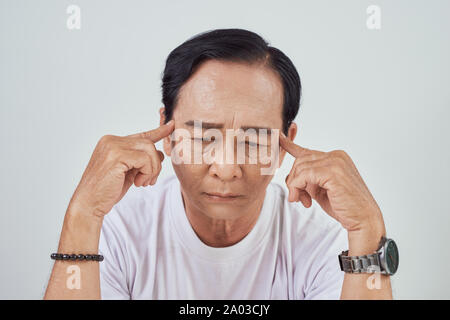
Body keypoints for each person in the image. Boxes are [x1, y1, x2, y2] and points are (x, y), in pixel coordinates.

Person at [44, 28, 393, 299]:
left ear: (287, 142)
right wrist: (81, 216)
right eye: (203, 136)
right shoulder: (116, 231)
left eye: (254, 139)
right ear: (168, 130)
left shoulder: (330, 243)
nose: (226, 168)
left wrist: (367, 231)